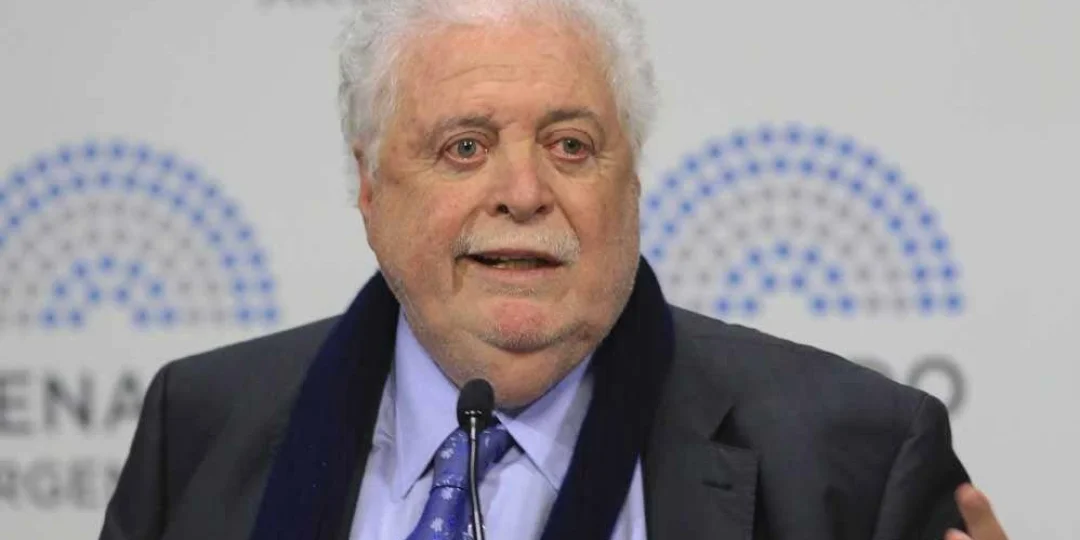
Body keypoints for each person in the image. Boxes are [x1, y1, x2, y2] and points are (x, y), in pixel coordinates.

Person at [99, 1, 1011, 539]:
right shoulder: (200, 425)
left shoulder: (855, 456)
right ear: (370, 187)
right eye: (465, 147)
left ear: (632, 183)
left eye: (571, 145)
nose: (524, 193)